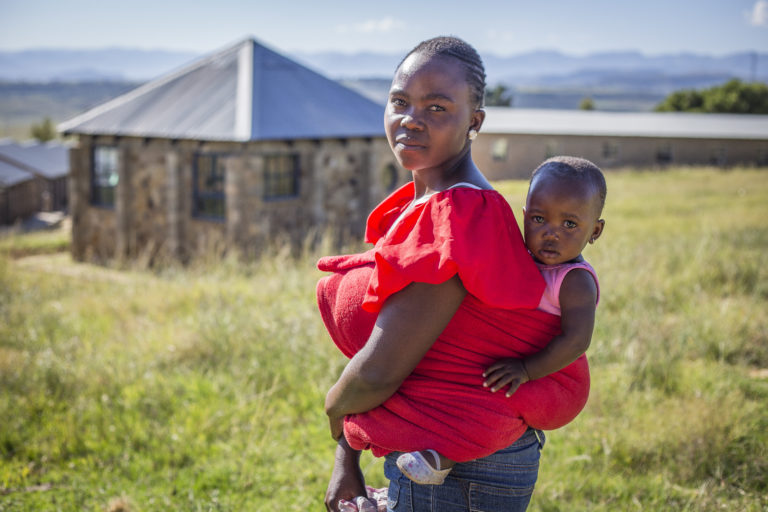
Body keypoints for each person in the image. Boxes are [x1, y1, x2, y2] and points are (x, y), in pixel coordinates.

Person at [317, 36, 585, 512]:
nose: (411, 119)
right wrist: (348, 458)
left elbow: (380, 370)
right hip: (437, 457)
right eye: (400, 101)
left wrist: (334, 410)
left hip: (464, 469)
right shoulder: (426, 203)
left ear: (474, 122)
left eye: (437, 107)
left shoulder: (460, 213)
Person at [396, 155, 606, 485]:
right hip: (507, 360)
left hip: (544, 374)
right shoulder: (523, 258)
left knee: (494, 412)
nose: (551, 234)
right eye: (539, 219)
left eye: (569, 225)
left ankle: (442, 458)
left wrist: (527, 369)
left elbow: (577, 340)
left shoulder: (573, 279)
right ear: (523, 218)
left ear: (595, 230)